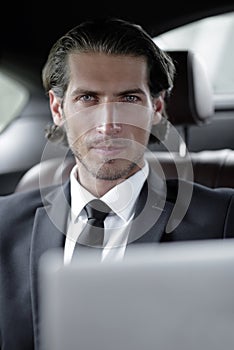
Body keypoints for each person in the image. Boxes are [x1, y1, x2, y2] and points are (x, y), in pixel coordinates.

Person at [0, 17, 234, 350]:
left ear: (156, 108)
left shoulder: (223, 221)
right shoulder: (4, 223)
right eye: (88, 99)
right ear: (58, 108)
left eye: (128, 99)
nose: (109, 125)